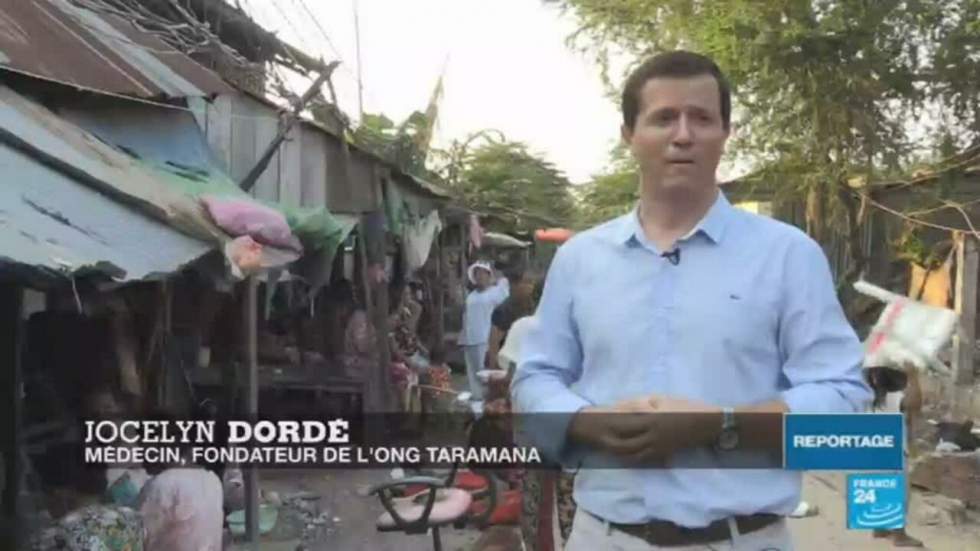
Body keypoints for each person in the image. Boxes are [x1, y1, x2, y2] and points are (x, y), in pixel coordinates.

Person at [511, 50, 873, 550]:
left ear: (725, 134)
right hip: (605, 536)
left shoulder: (788, 255)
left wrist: (721, 425)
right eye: (663, 118)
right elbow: (534, 379)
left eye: (701, 118)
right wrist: (584, 422)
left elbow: (846, 402)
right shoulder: (580, 259)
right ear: (629, 136)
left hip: (743, 538)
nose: (683, 135)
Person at [866, 363, 924, 548]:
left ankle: (880, 527)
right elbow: (915, 404)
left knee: (880, 485)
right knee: (901, 491)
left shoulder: (870, 396)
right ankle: (899, 535)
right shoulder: (895, 397)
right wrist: (914, 376)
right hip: (893, 449)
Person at [458, 260, 510, 402]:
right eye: (477, 273)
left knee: (486, 375)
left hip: (485, 340)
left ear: (488, 275)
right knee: (473, 376)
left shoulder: (496, 292)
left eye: (482, 273)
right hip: (470, 339)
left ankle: (489, 403)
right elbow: (466, 316)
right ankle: (477, 406)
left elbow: (504, 284)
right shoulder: (471, 295)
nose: (479, 276)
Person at [486, 271, 542, 372]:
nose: (530, 287)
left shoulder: (533, 306)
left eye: (532, 283)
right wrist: (493, 368)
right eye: (526, 282)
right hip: (509, 363)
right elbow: (494, 341)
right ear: (515, 285)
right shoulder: (504, 310)